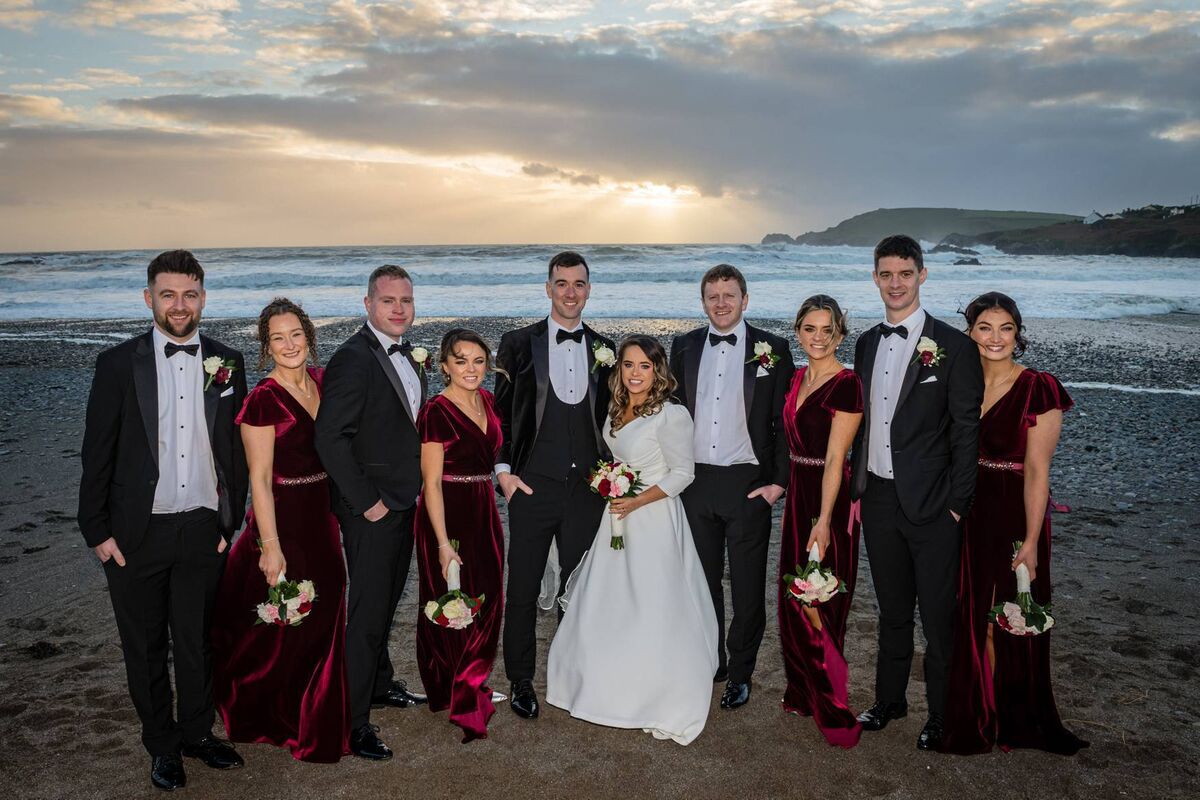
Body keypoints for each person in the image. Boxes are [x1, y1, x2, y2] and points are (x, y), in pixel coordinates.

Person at [77, 250, 248, 791]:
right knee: (145, 646)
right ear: (148, 298)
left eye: (189, 294)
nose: (179, 305)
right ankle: (162, 745)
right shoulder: (116, 364)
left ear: (204, 299)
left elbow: (235, 450)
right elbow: (97, 452)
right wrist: (97, 531)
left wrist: (230, 521)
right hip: (135, 533)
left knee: (197, 640)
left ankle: (198, 733)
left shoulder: (228, 361)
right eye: (168, 294)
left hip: (202, 527)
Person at [547, 336, 718, 744]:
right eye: (628, 365)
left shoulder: (671, 414)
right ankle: (602, 685)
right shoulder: (616, 407)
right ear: (619, 369)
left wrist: (636, 500)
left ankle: (656, 692)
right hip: (617, 516)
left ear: (658, 370)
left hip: (653, 518)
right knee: (611, 600)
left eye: (644, 366)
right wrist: (611, 487)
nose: (635, 373)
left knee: (653, 601)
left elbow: (683, 474)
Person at [850, 234, 983, 750]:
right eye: (886, 274)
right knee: (892, 610)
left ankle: (942, 714)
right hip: (879, 499)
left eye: (905, 273)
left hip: (934, 505)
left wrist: (957, 506)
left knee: (938, 617)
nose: (896, 283)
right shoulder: (865, 343)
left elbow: (966, 431)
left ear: (922, 275)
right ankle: (890, 700)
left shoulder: (954, 346)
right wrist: (859, 490)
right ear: (875, 278)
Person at [940, 292, 1087, 755]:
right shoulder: (959, 385)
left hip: (1014, 515)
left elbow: (1038, 472)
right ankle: (982, 713)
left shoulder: (1038, 387)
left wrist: (1032, 539)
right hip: (967, 512)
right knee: (972, 618)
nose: (995, 337)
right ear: (970, 332)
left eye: (1006, 328)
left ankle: (1015, 718)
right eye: (985, 327)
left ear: (1018, 333)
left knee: (1009, 616)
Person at [210, 298, 350, 762]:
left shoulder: (324, 382)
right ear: (266, 346)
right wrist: (269, 547)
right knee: (285, 617)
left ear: (309, 336)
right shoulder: (263, 400)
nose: (289, 345)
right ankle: (278, 711)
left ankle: (316, 703)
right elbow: (258, 480)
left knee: (325, 608)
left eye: (296, 335)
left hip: (322, 516)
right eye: (277, 338)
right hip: (282, 519)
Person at [313, 265, 428, 761]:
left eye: (406, 300)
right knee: (365, 616)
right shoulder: (352, 358)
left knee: (386, 603)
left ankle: (380, 684)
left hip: (402, 501)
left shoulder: (409, 354)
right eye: (388, 300)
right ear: (368, 304)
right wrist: (368, 503)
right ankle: (354, 721)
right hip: (372, 510)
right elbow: (329, 438)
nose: (399, 309)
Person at [494, 251, 615, 720]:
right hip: (531, 486)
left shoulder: (605, 348)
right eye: (561, 283)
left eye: (578, 284)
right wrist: (504, 473)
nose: (570, 292)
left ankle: (571, 674)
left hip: (586, 489)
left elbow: (615, 418)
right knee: (523, 586)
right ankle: (521, 679)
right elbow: (502, 414)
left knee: (577, 585)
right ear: (548, 289)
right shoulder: (517, 344)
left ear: (589, 290)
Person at [668, 264, 794, 709]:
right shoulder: (683, 346)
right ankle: (713, 661)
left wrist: (778, 483)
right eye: (713, 296)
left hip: (749, 484)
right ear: (703, 301)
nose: (721, 303)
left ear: (745, 299)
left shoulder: (773, 349)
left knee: (746, 585)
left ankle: (741, 672)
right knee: (701, 581)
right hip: (695, 482)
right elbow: (670, 412)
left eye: (729, 295)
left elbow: (784, 421)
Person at [778, 295, 864, 748]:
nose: (818, 338)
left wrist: (825, 520)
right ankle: (803, 690)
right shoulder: (797, 378)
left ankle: (831, 699)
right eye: (809, 329)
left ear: (840, 334)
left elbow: (835, 458)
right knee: (793, 597)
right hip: (798, 493)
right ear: (797, 331)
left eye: (827, 330)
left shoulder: (847, 384)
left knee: (819, 599)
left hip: (827, 499)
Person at [414, 329, 506, 743]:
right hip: (446, 512)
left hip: (484, 508)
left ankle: (472, 678)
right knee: (451, 600)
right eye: (461, 360)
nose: (471, 368)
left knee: (488, 597)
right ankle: (461, 690)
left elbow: (498, 454)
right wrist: (441, 543)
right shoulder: (436, 411)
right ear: (445, 366)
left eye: (478, 361)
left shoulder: (488, 400)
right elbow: (431, 483)